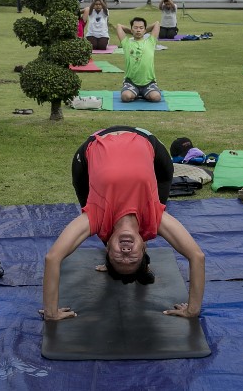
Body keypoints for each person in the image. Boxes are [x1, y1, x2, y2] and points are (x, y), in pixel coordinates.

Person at [42, 126, 206, 321]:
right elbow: (197, 256)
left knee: (85, 201)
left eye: (118, 259)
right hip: (144, 138)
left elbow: (53, 258)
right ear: (143, 248)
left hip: (93, 146)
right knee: (160, 201)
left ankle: (120, 255)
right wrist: (192, 309)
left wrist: (51, 312)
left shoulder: (94, 218)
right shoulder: (155, 218)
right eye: (133, 259)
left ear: (109, 250)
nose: (126, 254)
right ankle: (129, 259)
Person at [116, 17, 162, 103]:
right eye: (135, 27)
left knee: (156, 98)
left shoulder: (150, 41)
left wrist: (143, 31)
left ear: (145, 30)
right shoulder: (126, 43)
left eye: (141, 28)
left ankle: (142, 93)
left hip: (149, 83)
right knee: (125, 97)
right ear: (131, 29)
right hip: (131, 83)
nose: (138, 30)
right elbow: (119, 26)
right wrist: (133, 31)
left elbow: (157, 24)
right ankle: (137, 93)